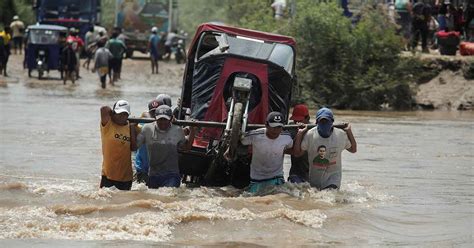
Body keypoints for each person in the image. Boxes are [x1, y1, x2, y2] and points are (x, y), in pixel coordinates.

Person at [228, 112, 293, 194]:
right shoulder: (255, 135)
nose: (276, 130)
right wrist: (230, 146)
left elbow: (291, 149)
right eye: (273, 127)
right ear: (266, 125)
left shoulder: (286, 137)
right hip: (257, 179)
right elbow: (239, 141)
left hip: (277, 177)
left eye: (279, 127)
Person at [293, 107, 357, 190]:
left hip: (333, 178)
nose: (324, 124)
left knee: (330, 195)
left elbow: (353, 150)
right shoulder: (310, 135)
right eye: (321, 121)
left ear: (332, 122)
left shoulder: (340, 135)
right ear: (316, 122)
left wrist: (349, 131)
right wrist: (299, 134)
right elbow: (297, 153)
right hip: (315, 179)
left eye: (327, 121)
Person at [136, 105, 196, 188]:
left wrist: (192, 130)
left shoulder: (177, 130)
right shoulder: (147, 129)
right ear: (155, 118)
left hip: (171, 174)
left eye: (165, 119)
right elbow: (134, 146)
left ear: (171, 119)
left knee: (169, 196)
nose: (163, 122)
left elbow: (186, 148)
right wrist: (132, 127)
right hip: (153, 174)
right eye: (160, 119)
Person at [100, 100, 138, 190]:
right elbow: (104, 109)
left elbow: (134, 148)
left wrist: (132, 128)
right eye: (119, 114)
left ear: (128, 115)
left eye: (124, 114)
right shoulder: (108, 125)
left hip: (126, 177)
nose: (121, 117)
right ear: (113, 113)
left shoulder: (133, 127)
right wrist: (113, 113)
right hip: (108, 175)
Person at [134, 99, 161, 184]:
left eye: (157, 113)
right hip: (142, 168)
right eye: (153, 113)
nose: (155, 115)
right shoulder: (143, 125)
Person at [287, 104, 310, 184]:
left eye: (300, 120)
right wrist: (299, 133)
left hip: (312, 173)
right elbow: (290, 147)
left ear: (308, 118)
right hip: (296, 173)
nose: (297, 123)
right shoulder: (291, 128)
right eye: (295, 120)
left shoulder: (314, 130)